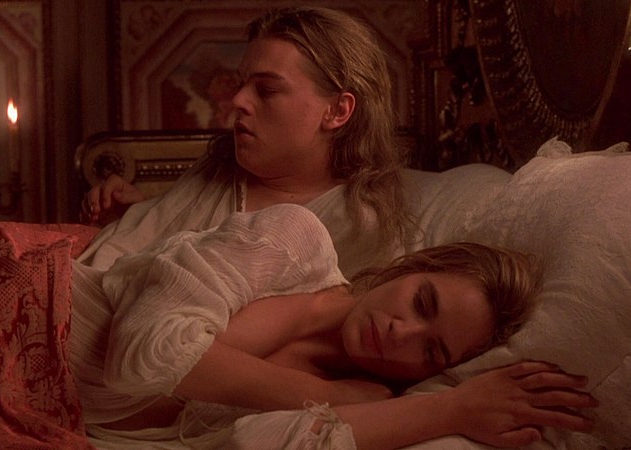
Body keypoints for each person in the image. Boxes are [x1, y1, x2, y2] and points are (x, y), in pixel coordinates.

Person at [68, 204, 595, 449]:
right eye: (422, 302)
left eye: (432, 352)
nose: (403, 333)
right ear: (411, 268)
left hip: (55, 414)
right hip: (40, 308)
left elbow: (252, 443)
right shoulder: (293, 241)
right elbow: (143, 357)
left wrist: (451, 409)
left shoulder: (375, 402)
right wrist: (327, 394)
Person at [77, 6, 410, 278]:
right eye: (241, 84)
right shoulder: (219, 170)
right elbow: (135, 255)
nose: (238, 100)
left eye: (266, 89)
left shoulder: (361, 230)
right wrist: (135, 216)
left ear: (337, 110)